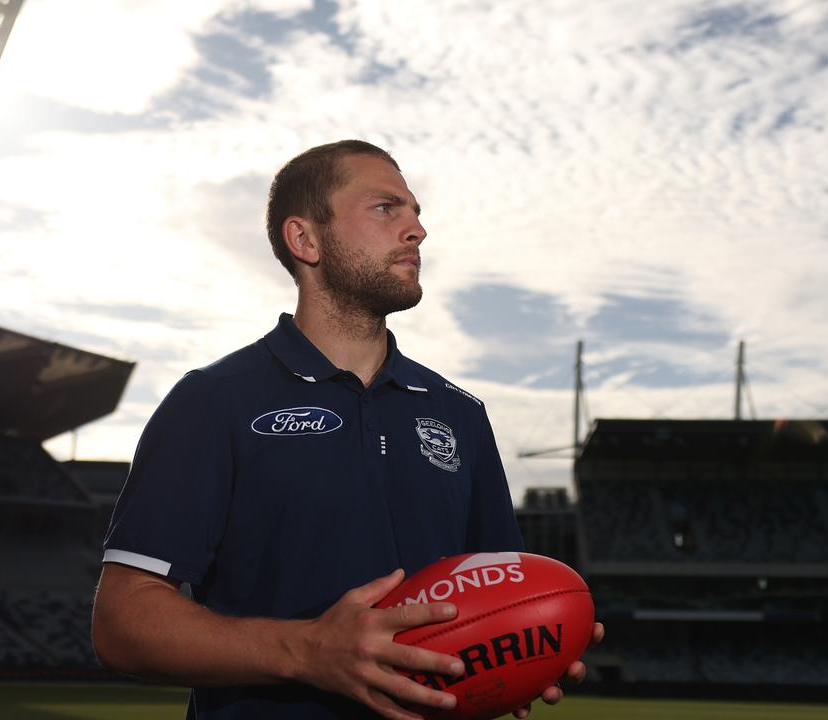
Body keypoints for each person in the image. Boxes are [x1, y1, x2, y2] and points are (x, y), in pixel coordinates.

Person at [91, 140, 603, 720]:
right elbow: (122, 622)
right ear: (304, 239)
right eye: (387, 209)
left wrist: (535, 640)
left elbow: (498, 597)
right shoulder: (213, 400)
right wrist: (306, 651)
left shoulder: (460, 413)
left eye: (416, 212)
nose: (417, 231)